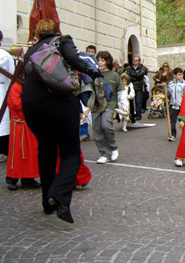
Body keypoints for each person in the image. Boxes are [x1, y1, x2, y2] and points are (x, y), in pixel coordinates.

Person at [22, 19, 102, 223]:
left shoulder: (31, 51)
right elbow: (75, 59)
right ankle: (58, 196)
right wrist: (92, 71)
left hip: (31, 104)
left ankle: (46, 202)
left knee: (46, 149)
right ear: (56, 30)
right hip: (58, 101)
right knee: (71, 152)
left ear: (38, 34)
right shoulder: (62, 40)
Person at [5, 81, 40, 190]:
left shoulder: (27, 86)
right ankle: (12, 178)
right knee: (18, 152)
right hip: (19, 125)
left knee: (30, 153)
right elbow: (16, 104)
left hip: (28, 124)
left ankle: (28, 178)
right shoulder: (15, 87)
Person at [93, 51, 126, 164]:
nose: (100, 62)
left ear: (107, 61)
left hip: (110, 104)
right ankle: (104, 153)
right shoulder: (94, 74)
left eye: (102, 60)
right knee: (97, 129)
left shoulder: (114, 75)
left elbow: (121, 92)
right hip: (96, 105)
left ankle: (113, 147)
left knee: (106, 125)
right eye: (98, 60)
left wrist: (124, 106)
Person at [0, 30, 14, 163]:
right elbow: (12, 75)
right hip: (1, 88)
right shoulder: (4, 54)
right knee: (2, 123)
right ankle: (4, 150)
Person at [167, 67, 185, 142]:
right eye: (179, 74)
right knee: (172, 121)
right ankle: (173, 135)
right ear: (175, 75)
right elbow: (168, 94)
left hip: (182, 106)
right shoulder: (170, 84)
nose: (181, 76)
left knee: (184, 121)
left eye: (182, 74)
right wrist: (167, 97)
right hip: (173, 105)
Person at [126, 56, 146, 120]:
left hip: (139, 86)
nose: (135, 61)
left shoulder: (142, 68)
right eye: (134, 60)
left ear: (139, 61)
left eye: (136, 60)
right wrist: (135, 76)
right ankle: (132, 114)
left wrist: (133, 76)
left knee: (138, 101)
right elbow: (128, 76)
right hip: (131, 86)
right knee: (131, 101)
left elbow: (140, 75)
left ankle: (138, 115)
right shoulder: (130, 68)